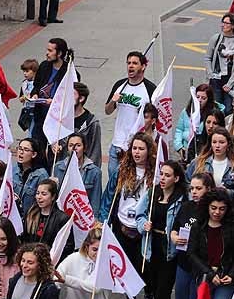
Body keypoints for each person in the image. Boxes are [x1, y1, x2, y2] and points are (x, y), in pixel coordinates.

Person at [100, 133, 156, 299]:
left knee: (145, 266)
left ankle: (149, 295)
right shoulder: (122, 171)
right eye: (134, 148)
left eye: (141, 148)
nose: (137, 152)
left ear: (149, 151)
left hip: (142, 229)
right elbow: (109, 196)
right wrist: (103, 220)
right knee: (125, 266)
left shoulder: (155, 174)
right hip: (122, 226)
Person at [136, 160, 186, 299]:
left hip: (169, 251)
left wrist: (177, 235)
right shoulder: (152, 193)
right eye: (162, 174)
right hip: (150, 247)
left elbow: (185, 222)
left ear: (176, 178)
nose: (163, 178)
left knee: (163, 290)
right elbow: (139, 215)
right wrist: (143, 225)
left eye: (167, 175)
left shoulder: (181, 198)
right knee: (154, 285)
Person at [104, 52, 156, 192]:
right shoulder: (120, 85)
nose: (130, 66)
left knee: (130, 187)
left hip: (135, 147)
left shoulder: (150, 89)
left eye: (134, 63)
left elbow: (154, 121)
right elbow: (107, 111)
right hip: (117, 145)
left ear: (143, 66)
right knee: (113, 187)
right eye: (128, 63)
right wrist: (113, 101)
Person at [170, 172, 212, 299]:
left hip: (200, 265)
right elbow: (174, 228)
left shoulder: (212, 210)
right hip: (183, 262)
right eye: (192, 188)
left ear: (208, 189)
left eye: (198, 188)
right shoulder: (186, 207)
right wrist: (174, 237)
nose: (194, 192)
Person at [30, 39, 74, 151]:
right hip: (40, 117)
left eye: (50, 50)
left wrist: (54, 102)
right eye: (47, 50)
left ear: (59, 53)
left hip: (56, 120)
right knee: (37, 148)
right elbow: (36, 86)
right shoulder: (44, 66)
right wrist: (35, 95)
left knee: (54, 152)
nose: (47, 53)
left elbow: (71, 98)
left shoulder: (69, 72)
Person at [204, 13, 234, 114]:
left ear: (233, 25)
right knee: (216, 108)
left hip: (230, 80)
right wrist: (210, 74)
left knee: (229, 109)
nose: (223, 25)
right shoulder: (216, 38)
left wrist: (230, 83)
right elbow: (207, 57)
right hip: (215, 79)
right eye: (222, 22)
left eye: (226, 23)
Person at [52, 132, 102, 213]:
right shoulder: (58, 167)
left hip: (82, 215)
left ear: (84, 148)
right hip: (62, 213)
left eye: (78, 145)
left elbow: (95, 199)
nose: (74, 148)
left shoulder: (94, 172)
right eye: (71, 145)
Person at [185, 126, 234, 193]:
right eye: (214, 142)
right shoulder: (198, 162)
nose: (217, 146)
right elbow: (186, 183)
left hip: (225, 202)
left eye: (221, 142)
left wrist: (226, 192)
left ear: (228, 144)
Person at [173, 83, 220, 159]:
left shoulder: (212, 114)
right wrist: (179, 147)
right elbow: (179, 129)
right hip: (186, 149)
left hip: (202, 151)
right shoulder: (186, 111)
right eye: (197, 97)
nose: (199, 100)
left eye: (203, 98)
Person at [22, 178, 69, 247]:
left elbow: (67, 245)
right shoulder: (30, 213)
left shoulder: (62, 218)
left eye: (44, 194)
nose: (39, 197)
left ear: (53, 197)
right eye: (37, 193)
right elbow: (24, 239)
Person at [14, 138, 50, 215]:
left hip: (31, 218)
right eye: (20, 148)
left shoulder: (41, 175)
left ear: (34, 154)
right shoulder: (13, 170)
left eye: (26, 150)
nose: (21, 152)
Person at [71, 82, 102, 167]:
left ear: (81, 98)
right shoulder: (60, 119)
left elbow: (95, 152)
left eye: (71, 95)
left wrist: (90, 172)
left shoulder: (92, 123)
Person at [18, 59, 39, 135]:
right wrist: (23, 98)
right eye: (24, 71)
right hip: (27, 109)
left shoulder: (38, 83)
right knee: (29, 127)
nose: (25, 74)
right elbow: (20, 98)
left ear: (34, 71)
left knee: (33, 129)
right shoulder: (24, 83)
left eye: (27, 71)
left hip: (35, 110)